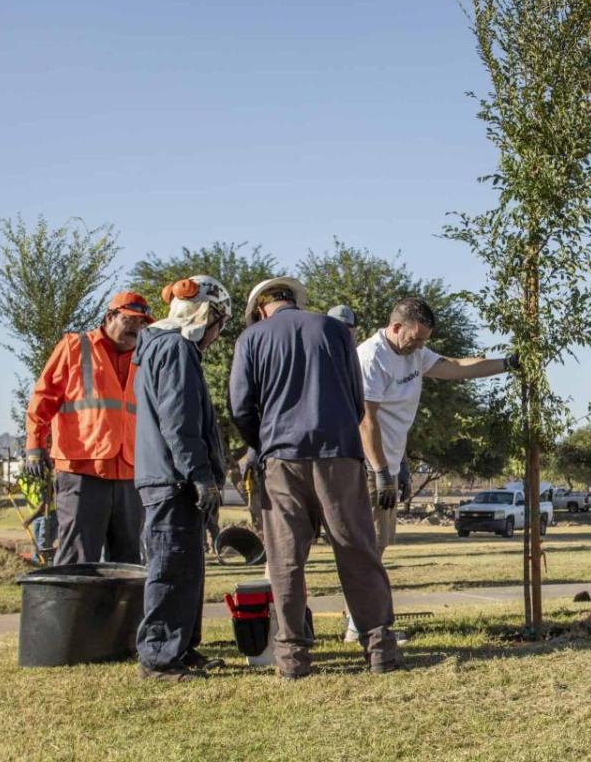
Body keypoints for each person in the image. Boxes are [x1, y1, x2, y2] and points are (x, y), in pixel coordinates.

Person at [229, 276, 401, 677]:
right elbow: (357, 401)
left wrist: (265, 442)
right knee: (357, 548)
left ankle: (291, 659)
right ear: (294, 300)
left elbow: (240, 406)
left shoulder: (251, 338)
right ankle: (380, 650)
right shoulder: (333, 329)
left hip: (281, 459)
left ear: (260, 309)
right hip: (339, 454)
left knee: (285, 558)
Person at [344, 296, 516, 641]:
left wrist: (508, 363)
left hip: (388, 464)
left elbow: (454, 367)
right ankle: (365, 629)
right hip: (366, 467)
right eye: (415, 338)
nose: (420, 346)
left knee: (377, 547)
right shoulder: (371, 357)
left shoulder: (414, 353)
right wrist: (380, 471)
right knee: (367, 549)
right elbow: (367, 420)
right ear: (395, 327)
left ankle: (362, 624)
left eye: (425, 340)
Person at [133, 276, 231, 682]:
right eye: (218, 323)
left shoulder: (162, 347)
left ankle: (181, 649)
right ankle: (158, 659)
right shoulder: (176, 348)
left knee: (186, 569)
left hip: (170, 479)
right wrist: (201, 476)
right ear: (206, 316)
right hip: (172, 480)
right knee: (171, 569)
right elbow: (180, 423)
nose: (216, 335)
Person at [24, 291, 154, 564]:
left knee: (128, 560)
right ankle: (75, 609)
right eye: (130, 319)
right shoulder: (75, 347)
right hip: (82, 471)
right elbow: (43, 398)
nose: (136, 327)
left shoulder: (144, 358)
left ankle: (121, 610)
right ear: (110, 316)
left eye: (142, 323)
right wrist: (35, 445)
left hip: (129, 472)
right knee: (79, 556)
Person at [17, 472, 55, 564]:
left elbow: (42, 505)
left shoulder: (43, 481)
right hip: (35, 516)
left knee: (43, 541)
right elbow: (16, 487)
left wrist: (29, 519)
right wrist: (8, 489)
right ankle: (37, 562)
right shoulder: (23, 479)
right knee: (35, 541)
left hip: (48, 514)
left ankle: (44, 563)